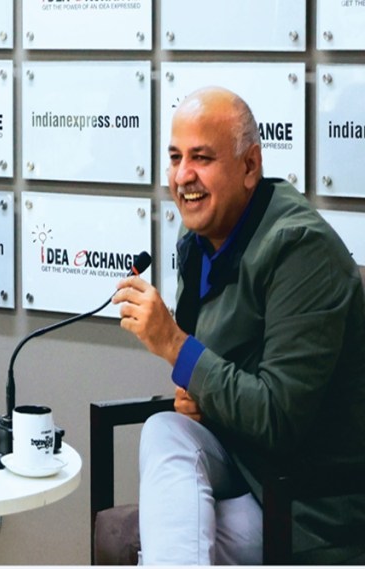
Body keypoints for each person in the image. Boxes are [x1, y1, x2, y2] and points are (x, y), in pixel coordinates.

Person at [113, 86, 365, 564]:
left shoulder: (300, 248)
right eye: (175, 157)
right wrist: (197, 389)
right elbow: (216, 371)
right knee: (163, 429)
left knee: (167, 544)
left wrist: (176, 347)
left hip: (308, 497)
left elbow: (278, 417)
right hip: (243, 459)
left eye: (201, 158)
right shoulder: (199, 240)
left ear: (250, 166)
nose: (182, 176)